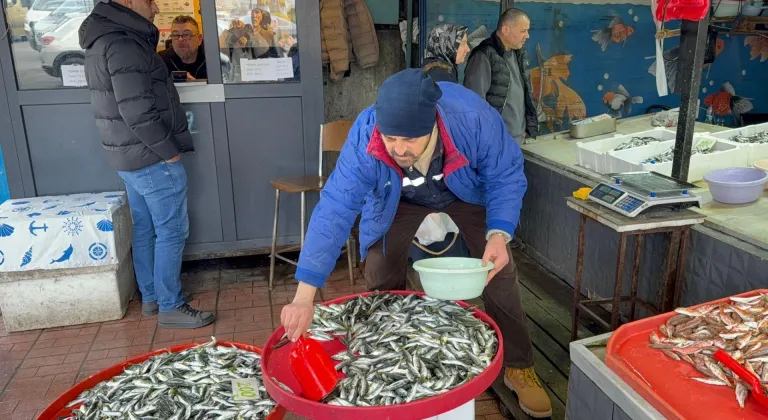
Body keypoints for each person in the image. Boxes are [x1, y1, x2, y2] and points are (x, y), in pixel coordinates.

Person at [280, 69, 553, 418]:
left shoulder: (473, 119)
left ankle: (518, 365)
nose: (398, 149)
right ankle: (388, 354)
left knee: (500, 269)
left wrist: (499, 233)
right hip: (398, 198)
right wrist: (304, 297)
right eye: (390, 138)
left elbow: (505, 175)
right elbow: (335, 208)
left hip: (463, 190)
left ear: (432, 125)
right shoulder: (367, 135)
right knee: (380, 267)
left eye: (410, 139)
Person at [79, 0, 215, 329]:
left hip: (128, 156)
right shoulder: (123, 42)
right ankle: (171, 305)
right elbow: (136, 110)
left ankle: (153, 297)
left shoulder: (104, 36)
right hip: (150, 156)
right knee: (171, 230)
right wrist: (168, 151)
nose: (155, 8)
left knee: (145, 228)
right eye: (149, 0)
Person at [464, 8, 538, 145]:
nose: (527, 36)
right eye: (523, 31)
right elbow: (475, 103)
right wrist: (490, 138)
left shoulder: (519, 53)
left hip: (519, 138)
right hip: (497, 141)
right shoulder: (483, 55)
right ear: (505, 30)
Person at [162, 15, 207, 80]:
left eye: (186, 34)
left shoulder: (211, 60)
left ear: (199, 39)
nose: (180, 39)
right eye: (175, 35)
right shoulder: (161, 60)